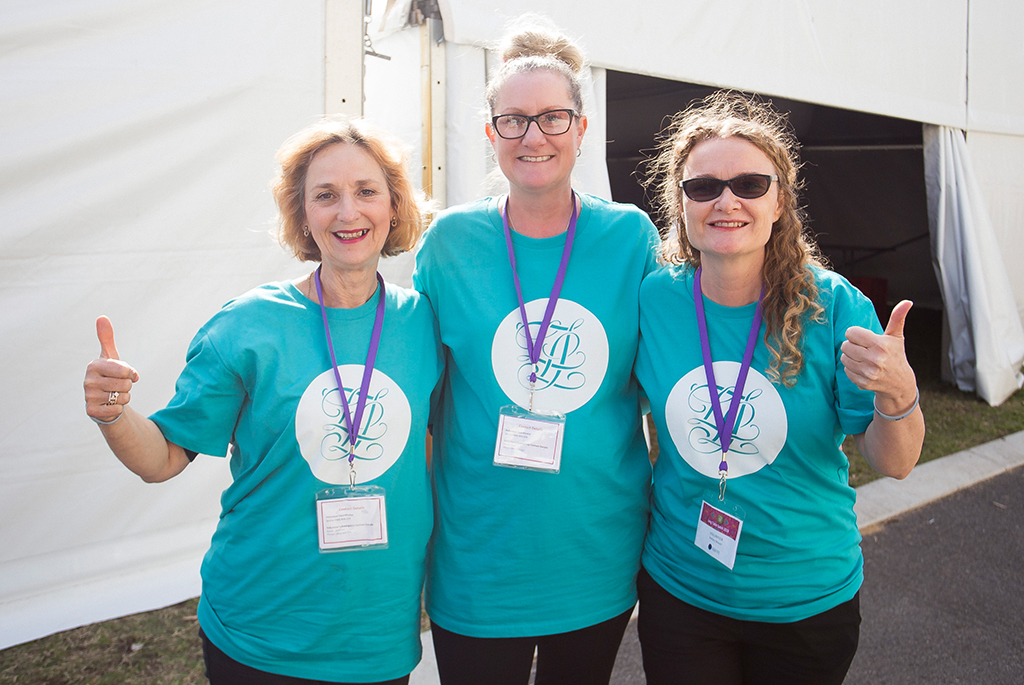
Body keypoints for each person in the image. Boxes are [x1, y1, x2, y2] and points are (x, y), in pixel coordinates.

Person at [83, 118, 443, 685]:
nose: (348, 212)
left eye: (367, 191)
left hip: (378, 633)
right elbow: (163, 458)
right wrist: (113, 413)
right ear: (302, 214)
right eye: (325, 195)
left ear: (394, 207)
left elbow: (435, 450)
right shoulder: (248, 326)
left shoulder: (425, 323)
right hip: (259, 631)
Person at [634, 91, 925, 685]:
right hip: (682, 590)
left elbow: (894, 463)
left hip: (805, 600)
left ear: (780, 201)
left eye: (749, 184)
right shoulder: (653, 300)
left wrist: (899, 394)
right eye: (703, 187)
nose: (727, 201)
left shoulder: (835, 305)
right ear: (680, 203)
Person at [412, 23, 660, 685]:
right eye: (514, 120)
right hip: (477, 557)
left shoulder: (630, 237)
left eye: (552, 118)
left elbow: (660, 383)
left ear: (581, 129)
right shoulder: (449, 242)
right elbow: (425, 403)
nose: (533, 136)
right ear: (490, 135)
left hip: (595, 549)